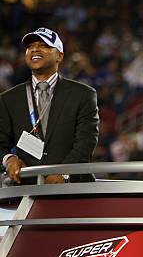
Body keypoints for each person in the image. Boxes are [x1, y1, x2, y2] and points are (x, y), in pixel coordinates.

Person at [0, 27, 99, 184]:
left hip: (74, 189)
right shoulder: (9, 99)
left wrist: (63, 173)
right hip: (26, 190)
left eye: (44, 45)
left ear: (59, 55)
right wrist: (9, 159)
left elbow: (86, 142)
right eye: (30, 46)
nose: (35, 49)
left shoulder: (83, 94)